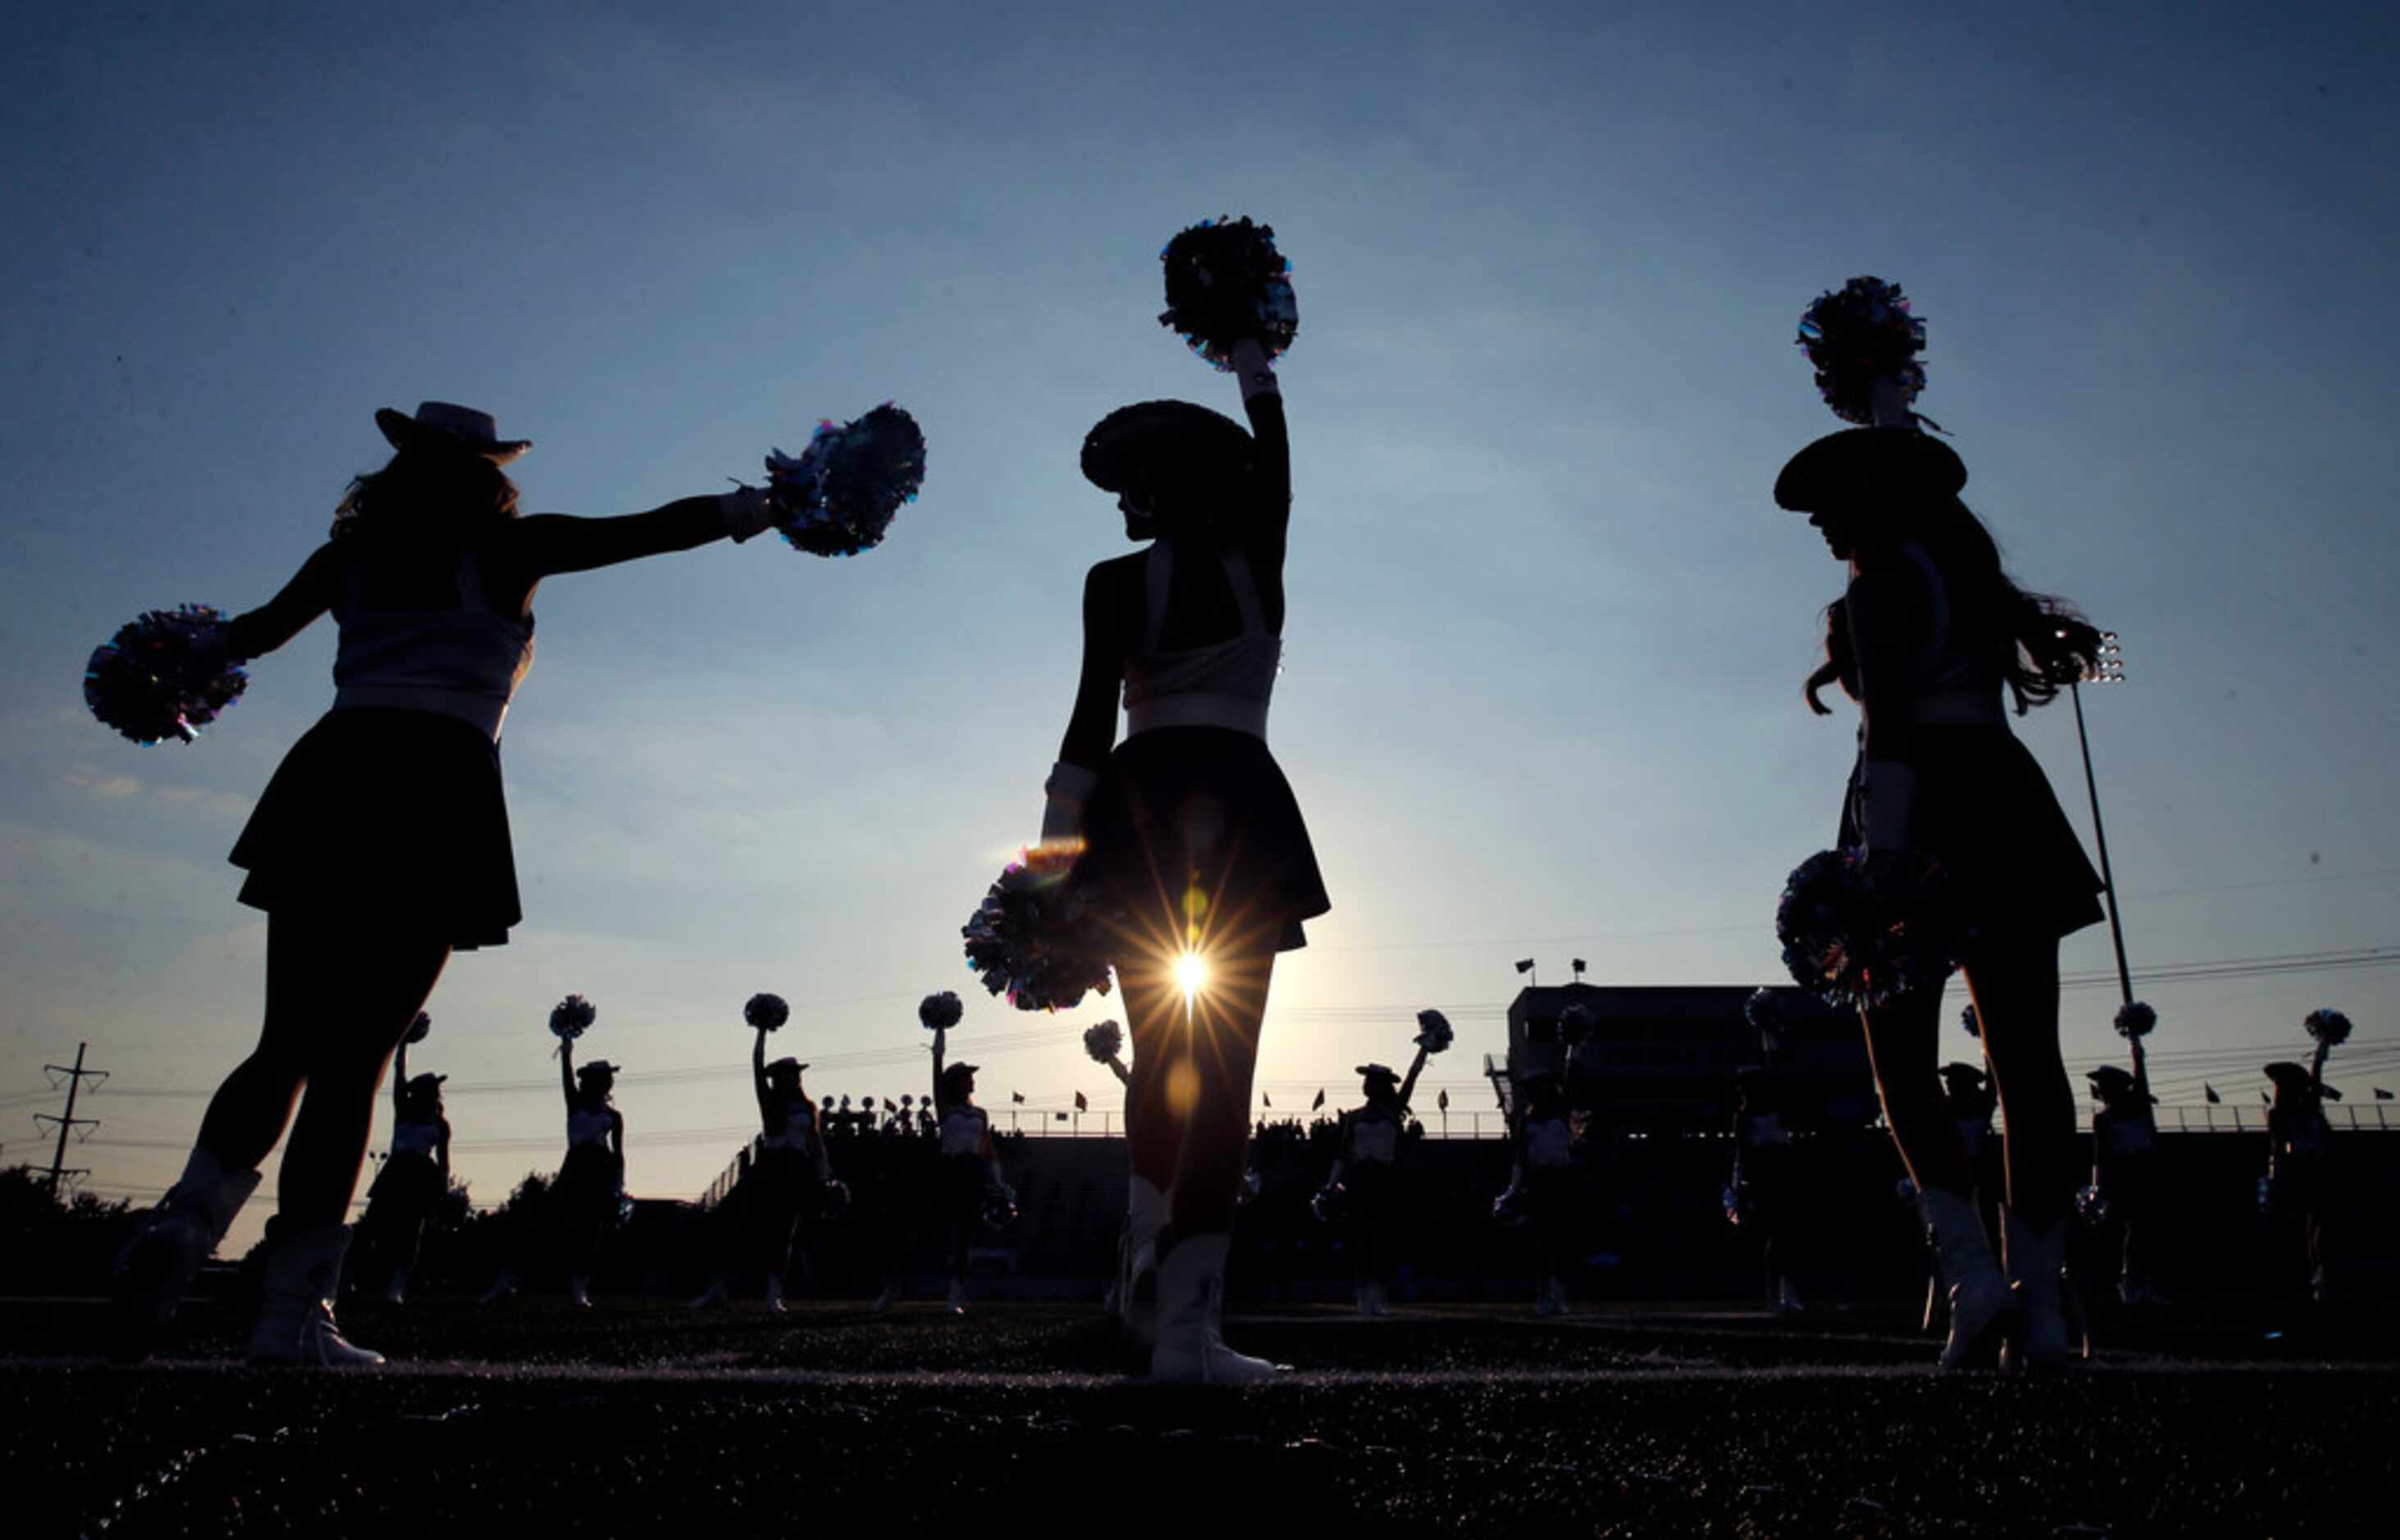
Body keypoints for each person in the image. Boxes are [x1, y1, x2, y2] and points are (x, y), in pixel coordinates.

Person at [108, 402, 781, 1365]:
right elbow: (651, 531)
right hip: (438, 787)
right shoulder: (511, 550)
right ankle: (287, 1317)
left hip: (332, 776)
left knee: (284, 1041)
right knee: (353, 1066)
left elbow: (245, 637)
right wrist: (763, 505)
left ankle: (182, 1225)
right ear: (486, 475)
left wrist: (159, 673)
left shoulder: (347, 559)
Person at [1775, 382, 2106, 1370]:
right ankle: (2040, 1303)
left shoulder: (1879, 586)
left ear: (1878, 495)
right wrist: (1884, 400)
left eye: (1836, 501)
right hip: (2002, 797)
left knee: (1898, 1060)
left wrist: (1878, 856)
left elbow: (1888, 728)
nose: (1822, 521)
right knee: (2027, 1061)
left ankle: (1972, 1285)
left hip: (1915, 805)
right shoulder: (1963, 578)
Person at [1036, 325, 1328, 1383]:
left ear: (1166, 491)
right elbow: (1281, 472)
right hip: (1234, 805)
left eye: (1139, 485)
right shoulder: (1261, 560)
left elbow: (1081, 736)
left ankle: (1145, 1296)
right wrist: (1255, 366)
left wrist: (1049, 869)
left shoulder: (1113, 581)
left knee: (1163, 1062)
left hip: (1137, 811)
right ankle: (1182, 1330)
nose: (1125, 505)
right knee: (1220, 1071)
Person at [694, 1035, 839, 1311]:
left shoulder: (809, 1107)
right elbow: (756, 1068)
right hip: (770, 1166)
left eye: (795, 1074)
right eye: (786, 1075)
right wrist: (761, 1033)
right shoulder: (770, 1102)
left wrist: (824, 1175)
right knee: (742, 1230)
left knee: (785, 1233)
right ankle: (717, 1289)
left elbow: (816, 1144)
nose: (793, 1079)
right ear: (777, 1079)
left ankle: (774, 1294)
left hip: (797, 1169)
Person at [1319, 1059, 1425, 1316]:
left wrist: (1424, 1049)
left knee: (1383, 1238)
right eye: (1368, 1081)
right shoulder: (1354, 1117)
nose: (1369, 1085)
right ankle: (1363, 1293)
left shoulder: (1394, 1111)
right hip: (1359, 1179)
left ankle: (1378, 1293)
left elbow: (1412, 1078)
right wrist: (1332, 1183)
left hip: (1386, 1179)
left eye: (1374, 1081)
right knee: (1360, 1237)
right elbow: (1343, 1153)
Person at [352, 1028, 449, 1305]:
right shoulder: (403, 1110)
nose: (435, 1093)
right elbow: (398, 1074)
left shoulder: (440, 1125)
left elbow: (444, 1161)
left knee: (411, 1232)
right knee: (370, 1226)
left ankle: (396, 1286)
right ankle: (346, 1277)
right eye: (429, 1089)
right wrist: (404, 1044)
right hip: (395, 1171)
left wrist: (443, 1185)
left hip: (421, 1175)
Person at [926, 1022, 1006, 1314]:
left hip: (972, 1173)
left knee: (965, 1236)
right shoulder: (945, 1108)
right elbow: (936, 1069)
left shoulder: (980, 1114)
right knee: (924, 1232)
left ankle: (955, 1293)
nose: (971, 1081)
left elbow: (989, 1150)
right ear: (955, 1082)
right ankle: (892, 1288)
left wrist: (997, 1182)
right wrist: (939, 1033)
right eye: (966, 1077)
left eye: (971, 1077)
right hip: (947, 1170)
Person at [550, 1042, 626, 1309]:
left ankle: (580, 1287)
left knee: (591, 1231)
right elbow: (566, 1077)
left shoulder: (614, 1116)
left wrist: (618, 1182)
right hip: (575, 1165)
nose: (608, 1084)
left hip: (600, 1168)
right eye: (604, 1079)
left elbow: (618, 1153)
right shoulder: (575, 1103)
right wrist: (567, 1049)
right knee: (558, 1224)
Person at [1497, 1073, 1578, 1314]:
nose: (1531, 1094)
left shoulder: (1562, 1112)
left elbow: (1571, 1075)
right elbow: (1520, 1158)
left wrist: (1575, 1045)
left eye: (1535, 1088)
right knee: (1541, 1240)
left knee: (1561, 1239)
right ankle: (1543, 1294)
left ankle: (1559, 1292)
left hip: (1562, 1180)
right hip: (1539, 1182)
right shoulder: (1526, 1120)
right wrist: (1512, 1189)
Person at [1728, 1066, 1805, 1314]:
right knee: (1777, 1234)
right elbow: (1742, 1152)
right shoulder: (1744, 1116)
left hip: (1781, 1171)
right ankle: (1776, 1294)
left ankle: (1787, 1293)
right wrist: (1739, 1183)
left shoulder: (1776, 1112)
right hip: (1765, 1175)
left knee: (1786, 1235)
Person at [2088, 1060, 2161, 1304]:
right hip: (2123, 1175)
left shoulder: (2141, 1109)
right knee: (2132, 1229)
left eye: (2106, 1085)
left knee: (2147, 1229)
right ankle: (2128, 1281)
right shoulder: (2103, 1119)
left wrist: (2136, 1044)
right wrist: (2098, 1187)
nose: (2102, 1091)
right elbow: (2101, 1156)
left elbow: (2142, 1076)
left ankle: (2143, 1281)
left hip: (2147, 1171)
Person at [2264, 1061, 2336, 1301]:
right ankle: (2295, 1281)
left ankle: (2319, 1276)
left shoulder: (2310, 1112)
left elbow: (2314, 1088)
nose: (2278, 1093)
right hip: (2291, 1175)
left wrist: (2320, 1055)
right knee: (2291, 1229)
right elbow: (2282, 1141)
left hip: (2313, 1172)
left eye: (2282, 1087)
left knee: (2318, 1226)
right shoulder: (2279, 1115)